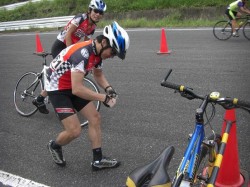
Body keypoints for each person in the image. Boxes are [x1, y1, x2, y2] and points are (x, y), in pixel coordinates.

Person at [45, 21, 130, 171]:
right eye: (113, 52)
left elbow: (98, 74)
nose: (113, 56)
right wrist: (103, 97)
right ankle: (54, 145)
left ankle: (97, 161)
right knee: (74, 131)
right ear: (104, 42)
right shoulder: (82, 54)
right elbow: (78, 89)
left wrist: (108, 88)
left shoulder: (97, 53)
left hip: (71, 84)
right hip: (57, 88)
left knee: (95, 117)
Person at [32, 0, 106, 114]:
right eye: (96, 11)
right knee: (61, 75)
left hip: (70, 46)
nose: (98, 14)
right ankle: (43, 99)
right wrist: (71, 53)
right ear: (90, 10)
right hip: (61, 45)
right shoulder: (80, 18)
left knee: (66, 76)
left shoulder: (93, 27)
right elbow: (68, 35)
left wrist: (88, 60)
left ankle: (42, 98)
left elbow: (87, 44)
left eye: (101, 13)